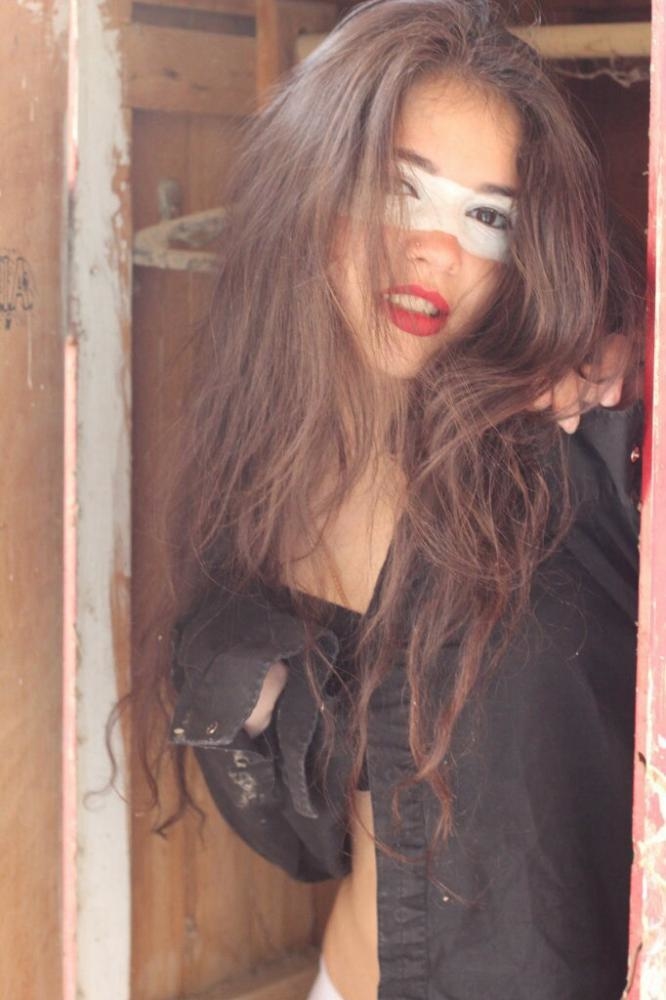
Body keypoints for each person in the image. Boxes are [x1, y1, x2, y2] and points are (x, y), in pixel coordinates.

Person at [139, 2, 645, 997]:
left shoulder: (572, 444)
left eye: (487, 217)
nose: (436, 251)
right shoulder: (264, 464)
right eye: (399, 191)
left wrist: (635, 353)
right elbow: (303, 845)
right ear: (313, 186)